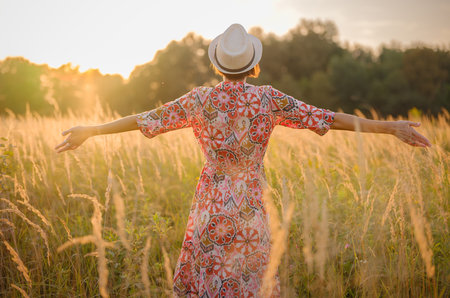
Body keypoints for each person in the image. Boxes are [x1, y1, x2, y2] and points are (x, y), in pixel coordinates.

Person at [55, 24, 431, 297]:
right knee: (251, 284)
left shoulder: (199, 100)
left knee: (209, 282)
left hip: (210, 205)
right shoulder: (268, 99)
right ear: (254, 66)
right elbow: (329, 119)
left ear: (217, 66)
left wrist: (93, 129)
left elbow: (143, 121)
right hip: (251, 204)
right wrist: (389, 127)